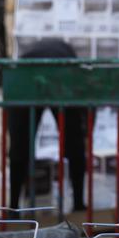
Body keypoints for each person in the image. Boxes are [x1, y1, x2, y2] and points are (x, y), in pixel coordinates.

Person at [8, 38, 86, 211]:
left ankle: (13, 208)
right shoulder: (67, 56)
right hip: (57, 75)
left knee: (20, 145)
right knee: (74, 142)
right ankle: (79, 204)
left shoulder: (42, 53)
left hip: (28, 76)